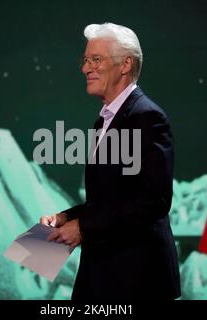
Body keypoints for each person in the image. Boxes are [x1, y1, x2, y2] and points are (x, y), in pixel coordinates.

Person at [40, 22, 180, 300]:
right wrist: (66, 217)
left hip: (136, 279)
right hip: (102, 274)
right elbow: (111, 198)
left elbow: (153, 200)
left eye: (95, 60)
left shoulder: (147, 117)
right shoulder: (105, 120)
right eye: (85, 60)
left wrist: (82, 228)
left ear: (126, 64)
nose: (85, 68)